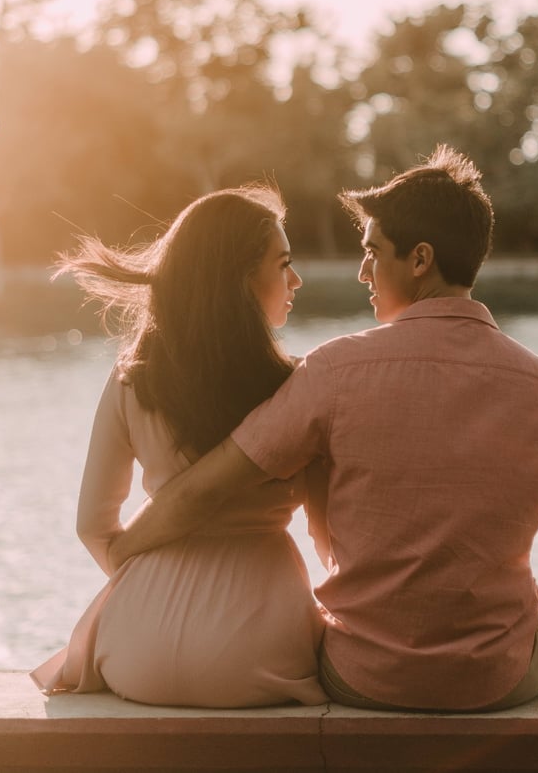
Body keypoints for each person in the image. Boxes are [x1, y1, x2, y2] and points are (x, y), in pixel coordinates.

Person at [106, 147, 538, 712]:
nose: (363, 271)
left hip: (360, 675)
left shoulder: (332, 371)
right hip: (493, 681)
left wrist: (123, 551)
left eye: (372, 252)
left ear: (420, 260)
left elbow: (204, 489)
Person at [31, 186, 327, 707]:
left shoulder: (131, 379)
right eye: (283, 264)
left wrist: (155, 587)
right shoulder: (299, 386)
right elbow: (332, 535)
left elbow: (91, 526)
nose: (295, 280)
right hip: (260, 646)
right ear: (238, 278)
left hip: (135, 647)